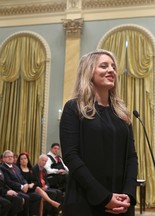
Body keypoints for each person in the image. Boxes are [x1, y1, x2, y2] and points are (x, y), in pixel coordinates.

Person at [59, 49, 138, 216]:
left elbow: (132, 157)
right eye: (104, 66)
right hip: (86, 201)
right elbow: (71, 156)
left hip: (122, 203)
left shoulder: (122, 113)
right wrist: (104, 197)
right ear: (88, 72)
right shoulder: (74, 108)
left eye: (113, 67)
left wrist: (128, 194)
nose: (111, 70)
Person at [0, 150, 41, 216]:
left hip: (21, 188)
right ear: (4, 159)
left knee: (37, 196)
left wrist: (25, 184)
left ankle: (32, 214)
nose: (10, 158)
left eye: (11, 156)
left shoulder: (16, 167)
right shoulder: (3, 168)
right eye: (8, 157)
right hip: (13, 189)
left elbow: (22, 178)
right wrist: (21, 187)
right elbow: (8, 182)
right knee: (25, 197)